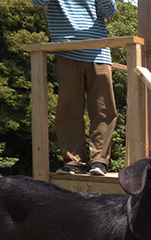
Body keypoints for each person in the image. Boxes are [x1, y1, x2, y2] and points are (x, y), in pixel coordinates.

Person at [32, 0, 118, 176]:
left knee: (103, 110)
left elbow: (109, 11)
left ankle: (99, 161)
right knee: (68, 110)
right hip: (66, 51)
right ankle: (73, 162)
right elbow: (38, 2)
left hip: (98, 52)